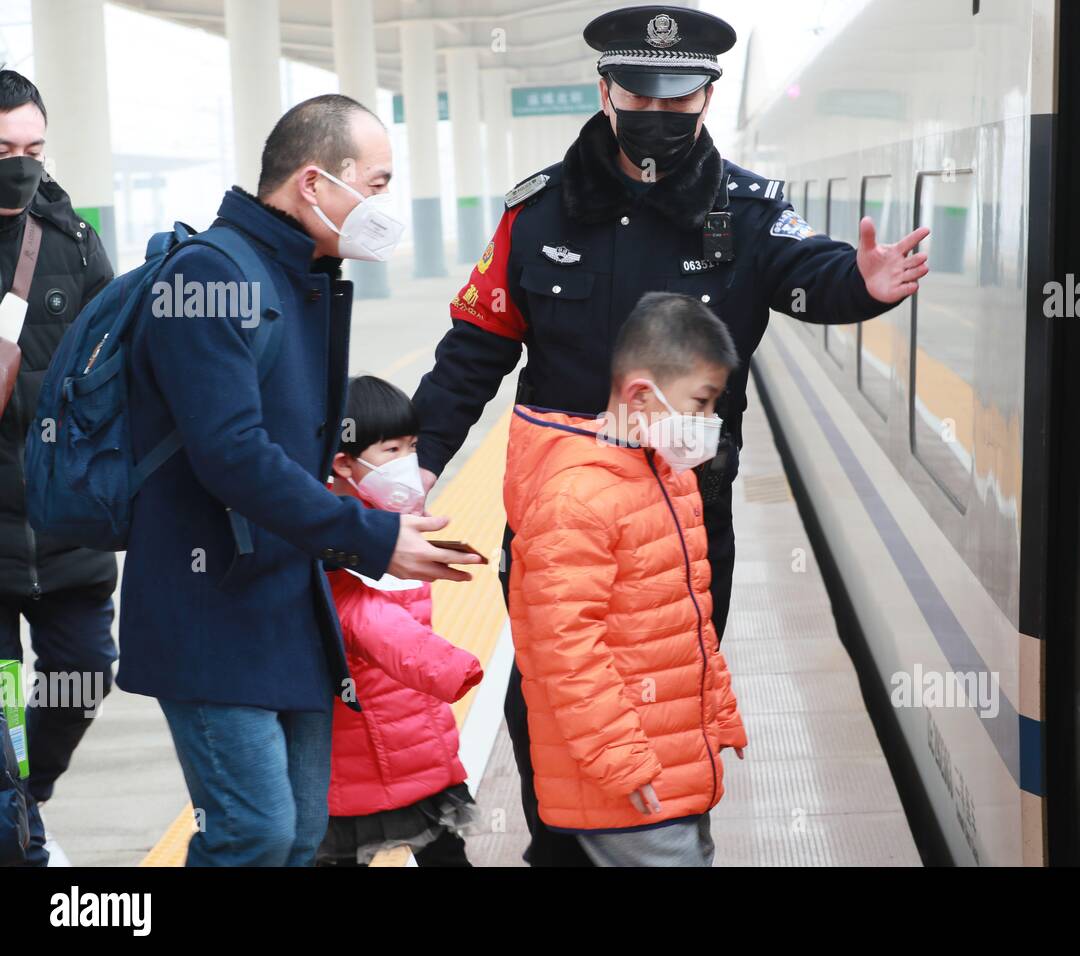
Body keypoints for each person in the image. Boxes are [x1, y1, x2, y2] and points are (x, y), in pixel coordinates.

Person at [411, 3, 929, 866]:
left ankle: (670, 838)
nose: (660, 115)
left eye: (680, 99)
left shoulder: (752, 212)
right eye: (641, 95)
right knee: (549, 700)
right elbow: (475, 349)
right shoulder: (536, 216)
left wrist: (865, 286)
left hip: (687, 520)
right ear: (606, 90)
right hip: (557, 518)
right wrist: (418, 465)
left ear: (707, 99)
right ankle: (564, 850)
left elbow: (818, 277)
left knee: (670, 701)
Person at [115, 95, 483, 866]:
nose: (384, 204)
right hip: (209, 609)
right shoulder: (210, 276)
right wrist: (372, 538)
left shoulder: (304, 274)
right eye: (377, 184)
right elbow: (232, 454)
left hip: (288, 602)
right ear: (316, 183)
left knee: (304, 836)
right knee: (254, 833)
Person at [504, 292, 746, 866]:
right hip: (626, 775)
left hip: (673, 755)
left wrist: (718, 714)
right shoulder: (576, 498)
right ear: (641, 394)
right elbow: (567, 650)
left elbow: (686, 620)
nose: (709, 423)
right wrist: (619, 758)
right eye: (701, 403)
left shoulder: (667, 475)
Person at [0, 70, 117, 867]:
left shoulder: (70, 239)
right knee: (3, 710)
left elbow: (116, 353)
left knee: (84, 674)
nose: (22, 165)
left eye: (34, 149)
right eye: (4, 149)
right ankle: (21, 838)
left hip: (63, 516)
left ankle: (27, 802)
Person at [314, 376, 484, 868]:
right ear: (343, 462)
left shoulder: (402, 525)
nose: (409, 461)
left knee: (448, 858)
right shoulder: (326, 534)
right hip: (353, 750)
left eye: (412, 446)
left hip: (420, 741)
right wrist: (444, 665)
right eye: (392, 449)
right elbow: (362, 616)